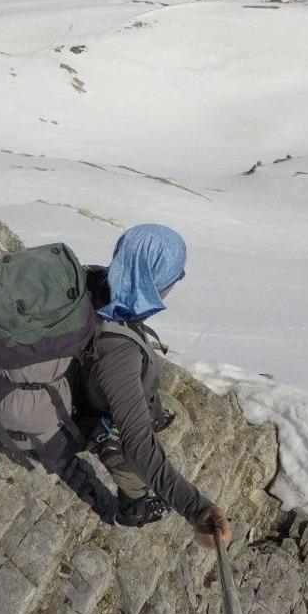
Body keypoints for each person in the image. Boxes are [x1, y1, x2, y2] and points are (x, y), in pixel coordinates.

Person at [78, 224, 232, 549]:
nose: (176, 283)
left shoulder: (100, 280)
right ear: (154, 283)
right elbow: (138, 446)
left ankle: (147, 413)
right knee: (127, 457)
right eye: (175, 276)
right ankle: (134, 508)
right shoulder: (118, 353)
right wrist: (197, 508)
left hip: (96, 383)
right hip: (96, 411)